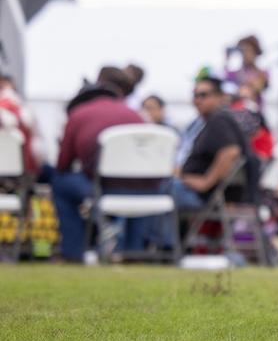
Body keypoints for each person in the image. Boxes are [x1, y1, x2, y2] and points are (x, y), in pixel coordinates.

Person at [50, 72, 148, 262]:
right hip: (144, 188)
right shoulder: (135, 114)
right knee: (134, 185)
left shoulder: (78, 115)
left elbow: (62, 165)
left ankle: (73, 252)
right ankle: (134, 251)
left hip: (102, 186)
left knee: (60, 183)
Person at [162, 76, 254, 248]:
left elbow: (231, 151)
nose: (197, 100)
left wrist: (206, 182)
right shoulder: (209, 122)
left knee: (155, 187)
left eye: (204, 95)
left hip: (203, 197)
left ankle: (161, 248)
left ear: (220, 97)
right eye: (195, 95)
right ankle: (163, 246)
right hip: (197, 191)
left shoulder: (219, 120)